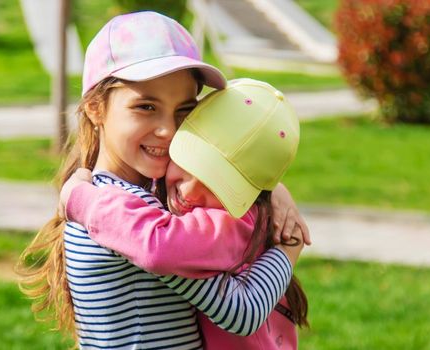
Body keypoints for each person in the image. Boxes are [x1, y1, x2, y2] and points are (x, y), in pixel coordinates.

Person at [17, 11, 308, 349]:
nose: (168, 130)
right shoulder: (124, 218)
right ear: (95, 107)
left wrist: (268, 191)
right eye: (146, 107)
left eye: (184, 110)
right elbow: (242, 311)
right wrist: (289, 249)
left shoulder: (136, 193)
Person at [62, 79, 308, 349]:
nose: (190, 191)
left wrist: (79, 198)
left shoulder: (209, 224)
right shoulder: (145, 202)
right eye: (189, 164)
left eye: (216, 185)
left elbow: (159, 244)